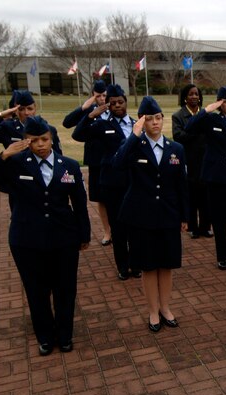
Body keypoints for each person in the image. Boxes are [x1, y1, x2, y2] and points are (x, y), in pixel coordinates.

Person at [0, 116, 90, 355]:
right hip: (27, 238)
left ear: (52, 138)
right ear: (26, 141)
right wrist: (4, 155)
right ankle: (45, 336)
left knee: (65, 289)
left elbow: (79, 203)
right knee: (36, 290)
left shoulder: (68, 164)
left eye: (44, 139)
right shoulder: (16, 164)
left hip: (64, 237)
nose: (40, 144)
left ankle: (65, 335)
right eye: (34, 140)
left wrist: (83, 235)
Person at [113, 96, 189, 332]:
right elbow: (117, 165)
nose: (155, 123)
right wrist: (133, 136)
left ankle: (166, 308)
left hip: (167, 214)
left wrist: (185, 216)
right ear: (141, 122)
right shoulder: (134, 146)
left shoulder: (176, 149)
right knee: (148, 265)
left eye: (158, 118)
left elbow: (182, 185)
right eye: (149, 119)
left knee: (166, 264)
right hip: (141, 215)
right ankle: (153, 311)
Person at [72, 83, 140, 281]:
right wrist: (91, 116)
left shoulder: (136, 124)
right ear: (108, 105)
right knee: (118, 227)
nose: (117, 105)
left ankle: (136, 264)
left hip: (133, 183)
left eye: (120, 102)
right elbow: (77, 135)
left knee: (134, 226)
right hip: (112, 183)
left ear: (126, 102)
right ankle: (122, 265)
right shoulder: (102, 125)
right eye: (113, 103)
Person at [184, 86, 226, 270]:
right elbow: (189, 127)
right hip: (216, 177)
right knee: (219, 218)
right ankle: (222, 255)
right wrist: (207, 109)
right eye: (225, 101)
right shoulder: (210, 120)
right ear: (219, 103)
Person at [62, 80, 112, 246]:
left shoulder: (115, 109)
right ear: (93, 96)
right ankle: (107, 232)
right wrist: (84, 108)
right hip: (96, 161)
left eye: (104, 95)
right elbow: (67, 123)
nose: (102, 99)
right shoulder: (89, 112)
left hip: (112, 161)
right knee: (101, 198)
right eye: (98, 96)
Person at [172, 84, 212, 239]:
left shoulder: (205, 115)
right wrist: (195, 132)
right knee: (192, 195)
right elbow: (178, 136)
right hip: (188, 160)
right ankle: (193, 227)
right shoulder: (178, 116)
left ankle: (206, 227)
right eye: (190, 94)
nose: (194, 96)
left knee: (205, 196)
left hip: (205, 160)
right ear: (184, 97)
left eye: (196, 94)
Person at [0, 89, 63, 154]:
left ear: (35, 108)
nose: (26, 113)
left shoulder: (48, 129)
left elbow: (58, 156)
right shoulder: (8, 128)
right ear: (15, 111)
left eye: (30, 108)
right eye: (21, 109)